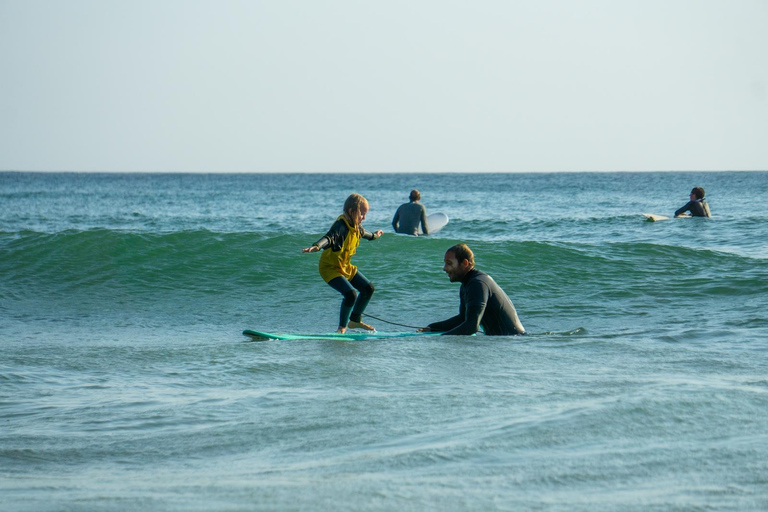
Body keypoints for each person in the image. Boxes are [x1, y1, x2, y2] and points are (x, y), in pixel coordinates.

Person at [302, 193, 384, 333]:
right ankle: (342, 328)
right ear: (353, 211)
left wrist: (376, 235)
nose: (364, 218)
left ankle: (355, 321)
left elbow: (368, 235)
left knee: (368, 289)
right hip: (330, 268)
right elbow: (330, 237)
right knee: (351, 294)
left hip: (344, 267)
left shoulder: (357, 228)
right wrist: (317, 245)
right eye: (362, 214)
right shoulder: (341, 226)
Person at [418, 244, 525, 336]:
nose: (444, 268)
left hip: (512, 341)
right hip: (504, 342)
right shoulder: (467, 284)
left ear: (464, 263)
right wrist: (432, 328)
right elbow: (463, 319)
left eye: (449, 263)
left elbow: (471, 327)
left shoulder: (477, 284)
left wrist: (440, 338)